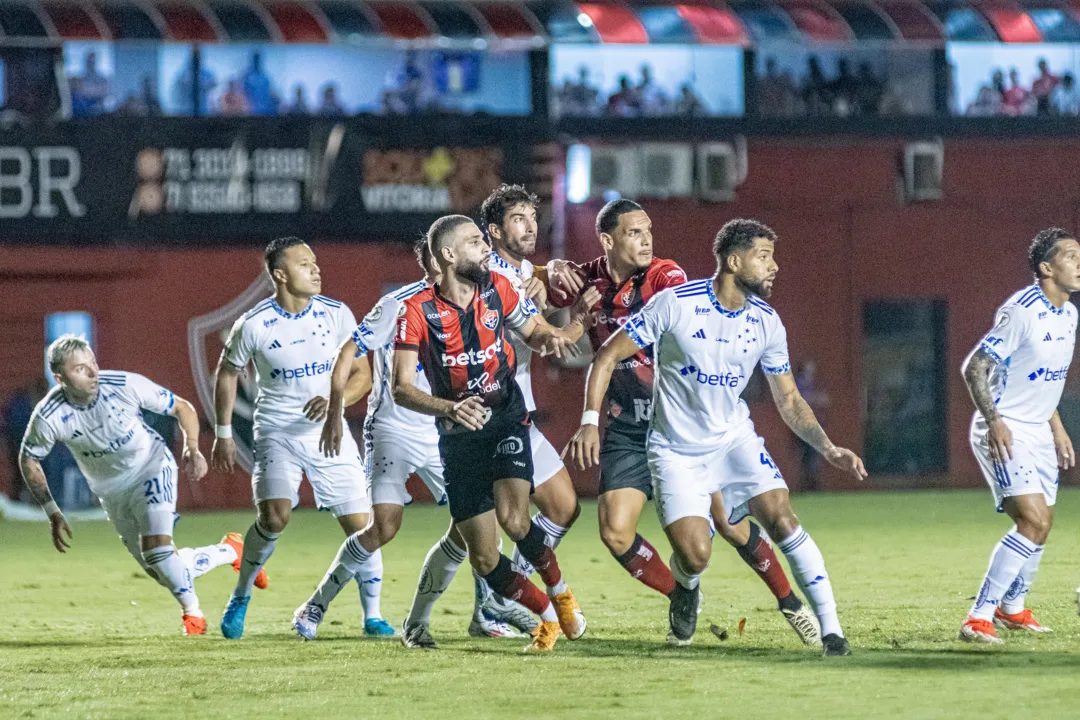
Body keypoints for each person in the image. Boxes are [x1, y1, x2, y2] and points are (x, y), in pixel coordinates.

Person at [567, 219, 865, 656]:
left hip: (732, 441)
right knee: (696, 555)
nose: (774, 266)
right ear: (733, 260)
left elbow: (788, 399)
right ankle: (686, 589)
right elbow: (608, 354)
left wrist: (827, 447)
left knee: (782, 516)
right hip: (674, 451)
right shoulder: (676, 305)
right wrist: (590, 419)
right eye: (764, 257)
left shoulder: (768, 322)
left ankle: (831, 630)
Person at [293, 237, 525, 645]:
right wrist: (335, 410)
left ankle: (480, 614)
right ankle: (315, 604)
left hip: (445, 431)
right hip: (395, 428)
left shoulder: (478, 297)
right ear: (441, 259)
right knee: (383, 526)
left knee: (477, 522)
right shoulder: (401, 305)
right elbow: (348, 351)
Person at [392, 215, 592, 653]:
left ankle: (560, 595)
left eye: (485, 240)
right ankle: (544, 614)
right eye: (474, 241)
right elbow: (401, 387)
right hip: (459, 436)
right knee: (483, 557)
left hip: (506, 418)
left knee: (516, 519)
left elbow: (539, 337)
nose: (485, 247)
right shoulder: (416, 311)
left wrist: (573, 325)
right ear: (447, 255)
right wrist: (450, 407)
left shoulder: (498, 288)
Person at [19, 336, 260, 635]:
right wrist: (53, 512)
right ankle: (230, 551)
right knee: (160, 570)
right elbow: (29, 459)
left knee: (158, 552)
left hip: (151, 466)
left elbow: (182, 408)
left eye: (93, 363)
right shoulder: (49, 414)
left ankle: (193, 615)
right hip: (112, 492)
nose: (93, 372)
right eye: (81, 369)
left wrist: (192, 448)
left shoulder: (123, 385)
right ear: (59, 378)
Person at [213, 237, 390, 639]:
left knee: (364, 526)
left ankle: (373, 615)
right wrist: (223, 432)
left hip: (328, 432)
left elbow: (363, 375)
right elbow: (227, 372)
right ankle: (241, 594)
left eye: (315, 262)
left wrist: (335, 403)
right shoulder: (254, 324)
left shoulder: (337, 314)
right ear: (280, 275)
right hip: (277, 432)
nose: (316, 270)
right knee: (274, 517)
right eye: (304, 264)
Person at [958, 228, 1079, 643]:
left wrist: (1056, 425)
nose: (1079, 264)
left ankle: (1012, 609)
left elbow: (1045, 379)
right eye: (1071, 256)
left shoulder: (1070, 314)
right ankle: (978, 617)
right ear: (1047, 268)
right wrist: (994, 421)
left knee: (1043, 525)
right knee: (1032, 519)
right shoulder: (1022, 311)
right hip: (1004, 427)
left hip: (1040, 429)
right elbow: (974, 368)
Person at [478, 185, 593, 599]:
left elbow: (530, 275)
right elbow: (549, 342)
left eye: (531, 216)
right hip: (489, 415)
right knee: (485, 533)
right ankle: (495, 604)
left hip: (515, 412)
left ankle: (502, 598)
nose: (530, 226)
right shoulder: (491, 276)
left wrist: (545, 272)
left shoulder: (519, 272)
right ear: (493, 230)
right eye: (517, 219)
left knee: (562, 507)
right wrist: (580, 319)